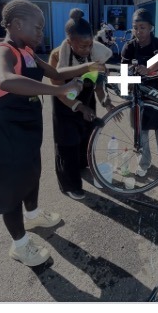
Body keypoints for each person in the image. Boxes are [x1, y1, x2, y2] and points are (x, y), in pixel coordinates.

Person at [0, 0, 100, 267]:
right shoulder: (3, 51)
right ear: (17, 24)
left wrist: (88, 67)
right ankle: (20, 245)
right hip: (5, 130)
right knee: (11, 189)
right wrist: (59, 90)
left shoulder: (28, 52)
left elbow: (56, 72)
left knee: (31, 174)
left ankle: (33, 214)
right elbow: (5, 80)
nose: (41, 33)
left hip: (26, 128)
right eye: (37, 27)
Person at [50, 18, 109, 199]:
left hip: (87, 98)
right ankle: (70, 185)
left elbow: (99, 83)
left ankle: (83, 166)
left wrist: (105, 101)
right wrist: (79, 107)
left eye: (89, 45)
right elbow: (58, 87)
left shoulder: (96, 53)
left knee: (85, 136)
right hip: (65, 103)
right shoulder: (57, 56)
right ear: (69, 42)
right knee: (68, 144)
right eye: (81, 47)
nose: (86, 50)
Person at [120, 9, 158, 179]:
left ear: (151, 27)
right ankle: (143, 163)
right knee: (141, 134)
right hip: (139, 97)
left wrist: (147, 69)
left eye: (142, 27)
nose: (138, 31)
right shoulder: (129, 47)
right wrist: (126, 84)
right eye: (135, 27)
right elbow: (124, 72)